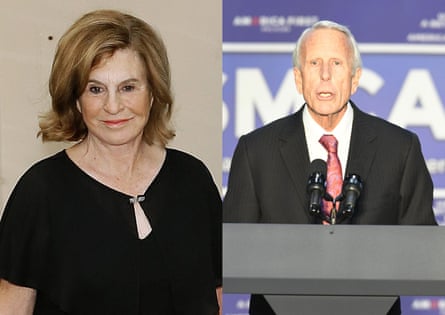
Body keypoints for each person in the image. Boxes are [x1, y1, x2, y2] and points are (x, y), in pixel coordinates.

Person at [0, 9, 221, 315]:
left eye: (128, 87)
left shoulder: (193, 180)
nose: (113, 106)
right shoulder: (41, 192)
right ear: (76, 100)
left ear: (153, 93)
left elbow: (219, 298)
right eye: (96, 89)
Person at [223, 20, 437, 315]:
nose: (325, 75)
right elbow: (233, 251)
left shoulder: (399, 148)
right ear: (298, 79)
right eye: (314, 63)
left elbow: (422, 251)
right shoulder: (256, 151)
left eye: (336, 63)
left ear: (355, 77)